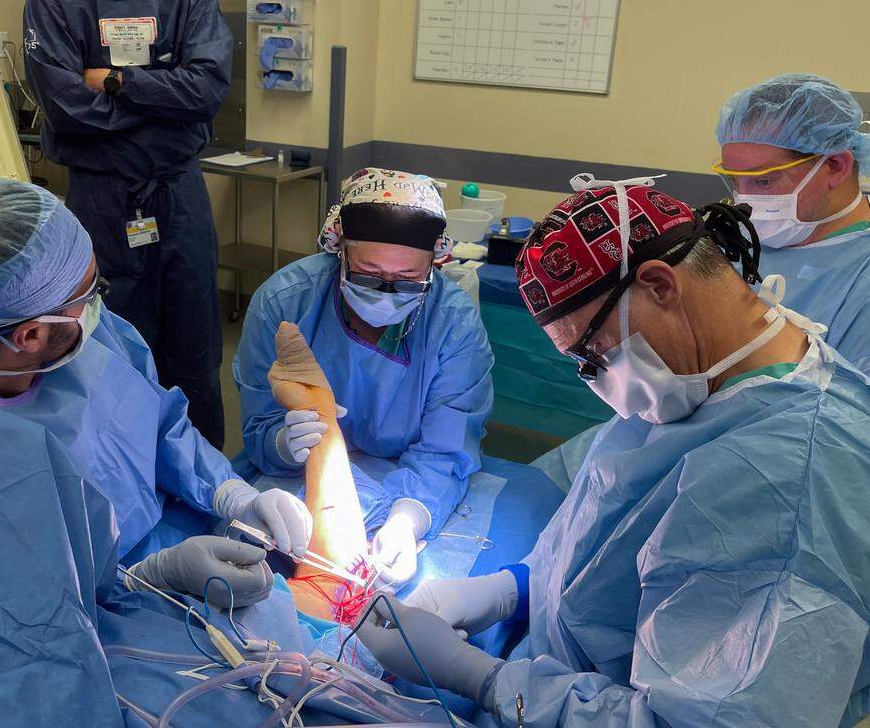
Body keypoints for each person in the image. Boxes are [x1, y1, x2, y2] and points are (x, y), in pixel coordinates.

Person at [357, 177, 870, 726]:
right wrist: (515, 588)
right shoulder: (704, 385)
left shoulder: (787, 484)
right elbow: (621, 548)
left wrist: (483, 679)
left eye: (592, 353)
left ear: (659, 285)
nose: (596, 379)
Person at [0, 179, 308, 605]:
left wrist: (228, 493)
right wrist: (144, 580)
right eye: (90, 292)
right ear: (30, 335)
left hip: (172, 533)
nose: (98, 304)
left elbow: (157, 424)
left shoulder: (79, 337)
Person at [23, 0, 232, 449]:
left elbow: (207, 90)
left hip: (177, 192)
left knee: (193, 347)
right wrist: (163, 100)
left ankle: (205, 481)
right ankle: (125, 481)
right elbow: (64, 107)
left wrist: (114, 82)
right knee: (110, 343)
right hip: (102, 196)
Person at [235, 168, 495, 589]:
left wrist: (408, 517)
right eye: (368, 274)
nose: (386, 291)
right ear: (338, 252)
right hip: (297, 477)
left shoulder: (453, 323)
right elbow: (260, 420)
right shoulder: (285, 302)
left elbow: (447, 446)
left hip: (410, 472)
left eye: (408, 280)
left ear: (436, 262)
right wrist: (282, 444)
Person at [715, 73, 869, 372]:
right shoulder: (731, 248)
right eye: (735, 181)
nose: (744, 203)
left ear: (835, 166)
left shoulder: (859, 277)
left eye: (763, 181)